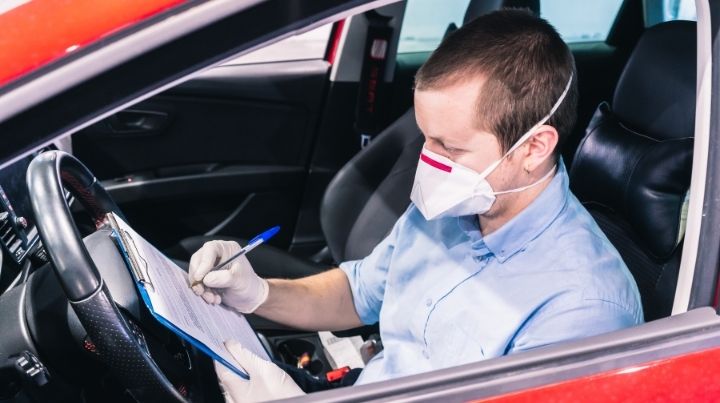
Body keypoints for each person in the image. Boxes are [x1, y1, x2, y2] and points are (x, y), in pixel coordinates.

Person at [188, 9, 643, 402]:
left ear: (534, 147)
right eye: (425, 137)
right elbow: (357, 293)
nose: (427, 161)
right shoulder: (450, 210)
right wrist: (259, 293)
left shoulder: (584, 309)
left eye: (450, 148)